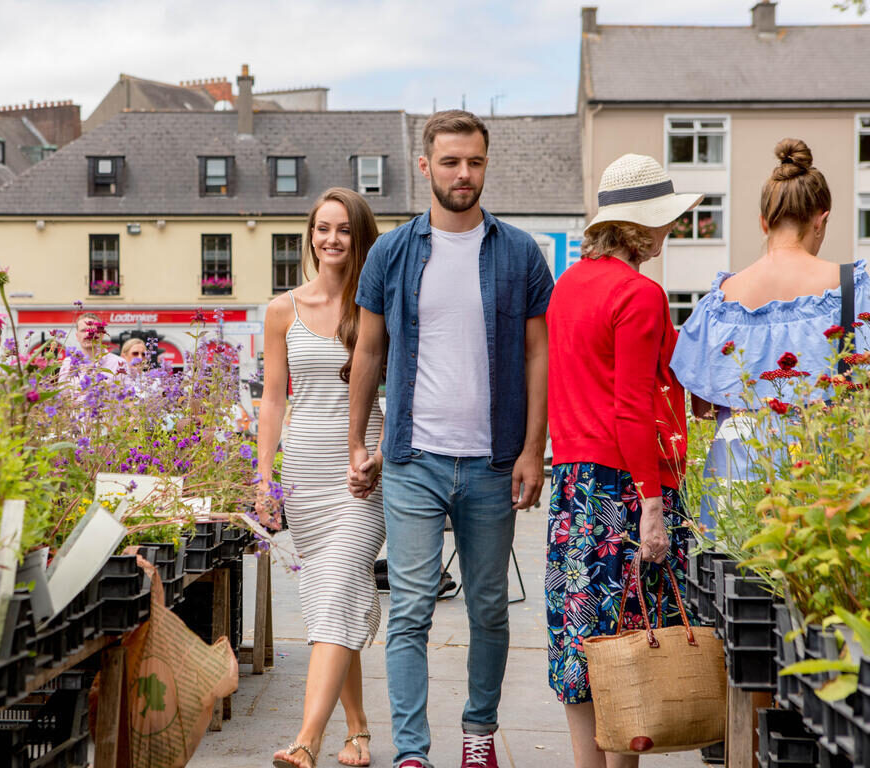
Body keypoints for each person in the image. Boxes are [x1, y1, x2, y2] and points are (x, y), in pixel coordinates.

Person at [347, 110, 554, 768]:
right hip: (413, 461)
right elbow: (370, 350)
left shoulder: (519, 252)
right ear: (425, 166)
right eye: (450, 162)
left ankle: (479, 735)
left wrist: (531, 450)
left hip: (494, 463)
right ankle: (412, 752)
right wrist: (360, 440)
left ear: (485, 165)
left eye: (474, 162)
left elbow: (538, 355)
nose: (463, 174)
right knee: (409, 611)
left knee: (490, 608)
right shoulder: (391, 253)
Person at [545, 153, 700, 768]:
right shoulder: (640, 294)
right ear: (641, 228)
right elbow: (633, 405)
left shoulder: (567, 288)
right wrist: (654, 506)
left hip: (572, 486)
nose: (671, 232)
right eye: (665, 223)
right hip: (625, 487)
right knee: (630, 638)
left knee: (580, 641)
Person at [671, 138, 869, 530]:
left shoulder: (719, 302)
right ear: (820, 219)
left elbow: (702, 408)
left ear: (764, 221)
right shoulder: (853, 287)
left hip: (734, 479)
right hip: (821, 476)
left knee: (731, 585)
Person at [260, 188, 384, 768]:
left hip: (363, 470)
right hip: (305, 472)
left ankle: (305, 739)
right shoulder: (281, 310)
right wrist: (266, 476)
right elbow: (272, 400)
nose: (330, 239)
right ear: (310, 235)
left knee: (336, 586)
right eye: (321, 228)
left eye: (343, 230)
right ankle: (358, 731)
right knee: (334, 599)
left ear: (360, 237)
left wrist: (382, 453)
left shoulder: (377, 306)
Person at [58, 312, 123, 385]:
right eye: (83, 330)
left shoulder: (118, 363)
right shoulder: (68, 363)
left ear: (101, 335)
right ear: (77, 336)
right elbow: (63, 393)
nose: (88, 334)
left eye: (93, 330)